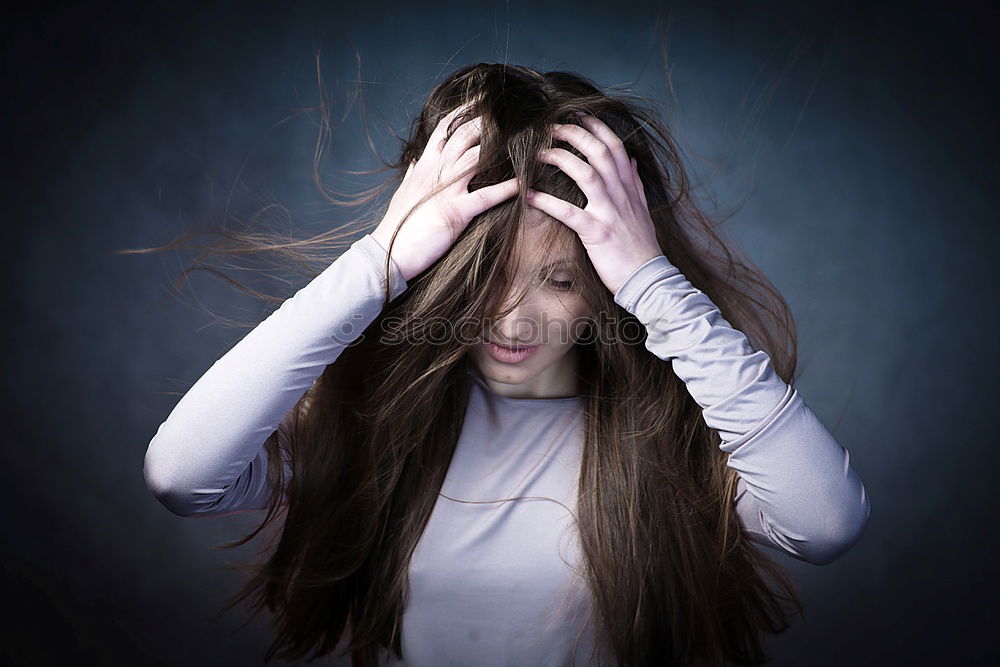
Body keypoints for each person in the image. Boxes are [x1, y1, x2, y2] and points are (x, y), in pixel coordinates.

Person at [141, 63, 871, 666]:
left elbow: (827, 523)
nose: (512, 319)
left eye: (558, 280)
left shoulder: (676, 433)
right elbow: (182, 475)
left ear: (607, 286)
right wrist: (378, 262)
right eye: (484, 278)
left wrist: (654, 280)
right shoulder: (368, 424)